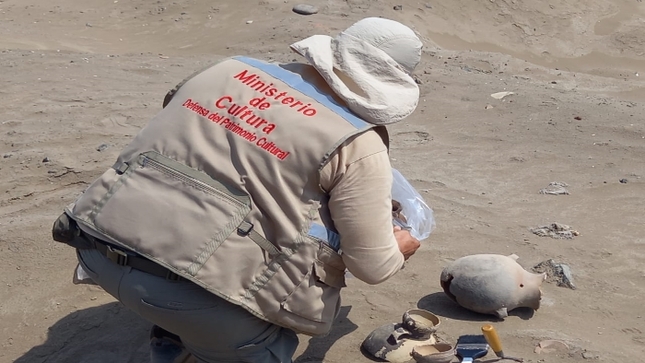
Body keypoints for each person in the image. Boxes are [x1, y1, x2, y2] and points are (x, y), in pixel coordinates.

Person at [52, 16, 423, 363]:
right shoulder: (360, 145)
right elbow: (372, 267)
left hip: (97, 246)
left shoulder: (227, 69)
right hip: (199, 302)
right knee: (262, 342)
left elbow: (181, 122)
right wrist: (400, 248)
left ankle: (173, 342)